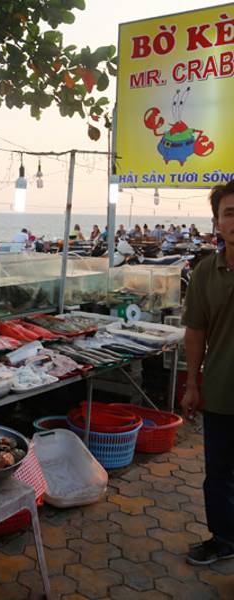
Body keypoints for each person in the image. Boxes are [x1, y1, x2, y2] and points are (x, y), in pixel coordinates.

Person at [181, 180, 234, 567]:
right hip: (220, 392)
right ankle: (224, 538)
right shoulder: (204, 272)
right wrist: (191, 384)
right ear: (217, 223)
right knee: (218, 473)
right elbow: (195, 332)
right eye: (230, 213)